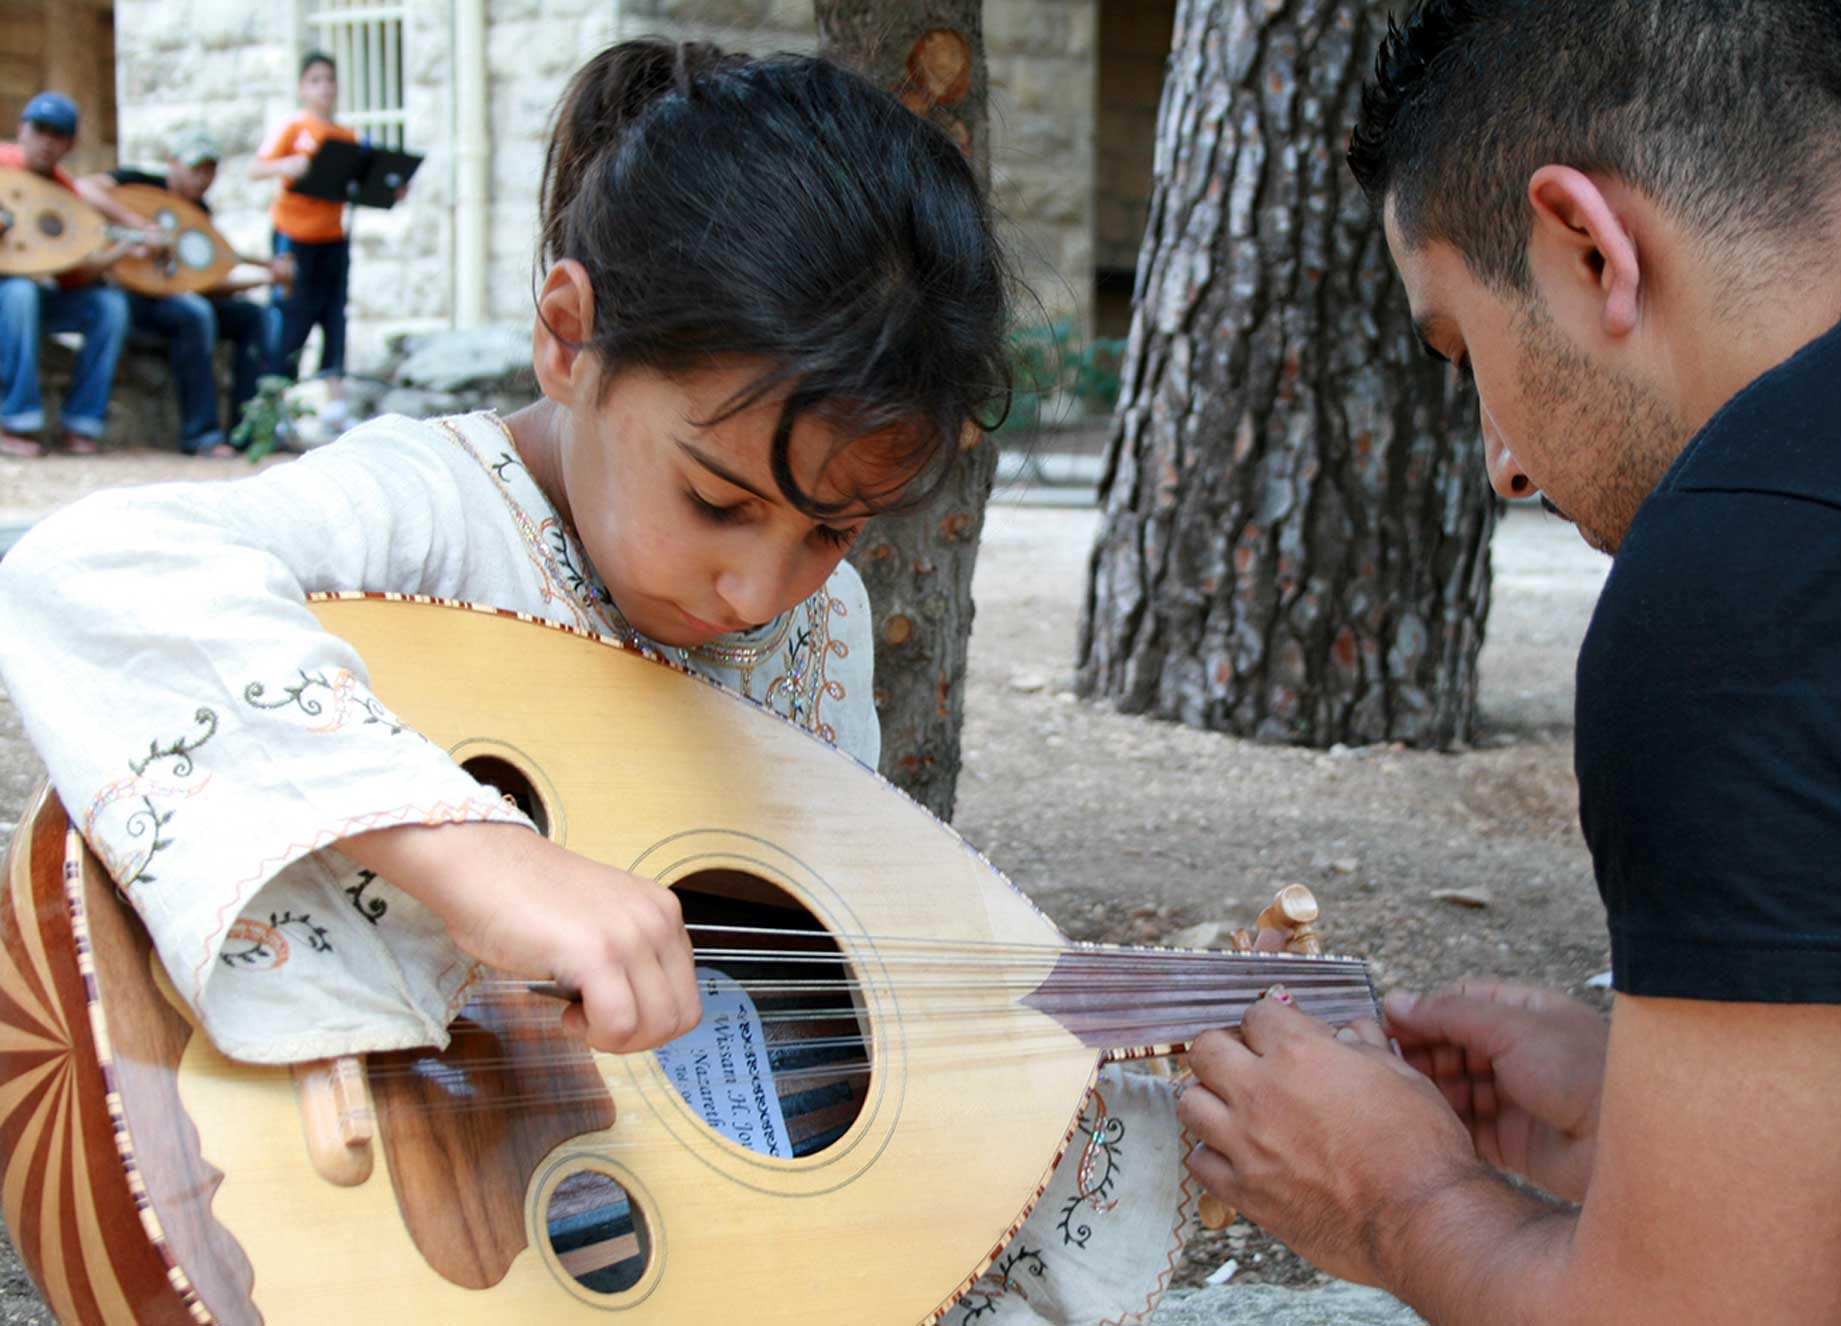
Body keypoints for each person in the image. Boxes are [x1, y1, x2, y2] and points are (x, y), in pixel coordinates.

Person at [0, 41, 1191, 1326]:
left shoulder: (822, 627)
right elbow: (95, 572)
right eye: (717, 499)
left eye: (831, 530)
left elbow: (809, 959)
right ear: (568, 339)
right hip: (312, 1152)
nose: (756, 588)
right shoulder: (434, 511)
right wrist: (475, 855)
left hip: (604, 1225)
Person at [1177, 2, 1841, 1322]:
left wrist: (1399, 1200)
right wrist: (1649, 1119)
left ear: (1583, 244)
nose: (1503, 458)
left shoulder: (1763, 558)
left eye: (1465, 353)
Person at [78, 128, 293, 456]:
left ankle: (249, 430)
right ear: (172, 162)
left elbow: (205, 282)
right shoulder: (138, 182)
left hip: (180, 299)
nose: (202, 178)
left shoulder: (200, 214)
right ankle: (201, 434)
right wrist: (138, 226)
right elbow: (83, 187)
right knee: (195, 314)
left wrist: (267, 278)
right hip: (134, 300)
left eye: (209, 170)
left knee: (255, 317)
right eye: (195, 168)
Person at [0, 91, 150, 457]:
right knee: (20, 292)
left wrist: (115, 254)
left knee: (109, 306)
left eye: (58, 135)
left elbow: (72, 277)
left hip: (37, 297)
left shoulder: (66, 193)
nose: (46, 142)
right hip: (11, 295)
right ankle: (16, 421)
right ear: (22, 130)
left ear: (68, 144)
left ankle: (82, 423)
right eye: (40, 130)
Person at [250, 50, 356, 396]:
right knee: (291, 316)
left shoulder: (346, 136)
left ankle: (334, 400)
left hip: (333, 238)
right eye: (315, 80)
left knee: (334, 317)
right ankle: (276, 399)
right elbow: (256, 168)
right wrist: (288, 165)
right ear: (302, 88)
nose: (324, 87)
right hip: (294, 236)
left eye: (329, 79)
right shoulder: (293, 127)